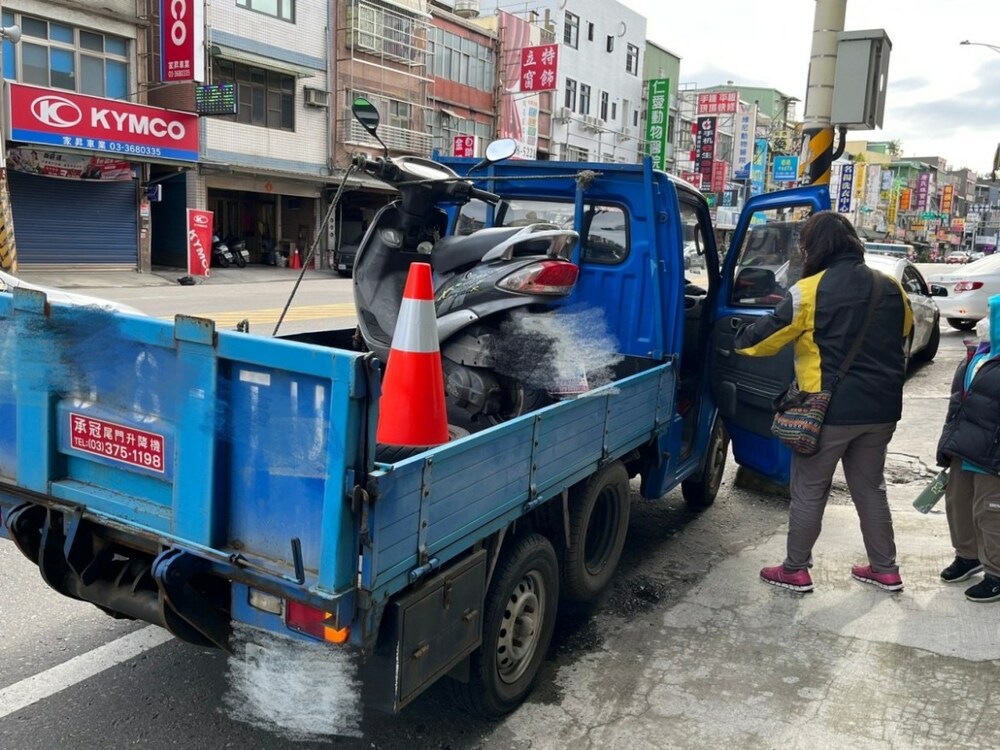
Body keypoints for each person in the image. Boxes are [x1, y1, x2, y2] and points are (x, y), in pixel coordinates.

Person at [734, 210, 913, 593]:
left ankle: (795, 569)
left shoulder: (810, 290)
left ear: (814, 248)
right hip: (881, 410)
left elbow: (761, 341)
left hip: (827, 410)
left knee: (810, 490)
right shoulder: (891, 287)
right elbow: (905, 333)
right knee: (870, 488)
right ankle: (885, 569)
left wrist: (742, 336)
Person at [937, 298, 1000, 602]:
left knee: (990, 513)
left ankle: (996, 572)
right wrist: (947, 445)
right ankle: (968, 555)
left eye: (993, 315)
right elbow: (956, 403)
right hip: (965, 447)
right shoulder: (978, 354)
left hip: (993, 454)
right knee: (957, 504)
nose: (985, 322)